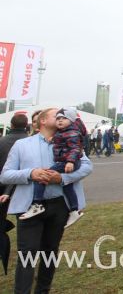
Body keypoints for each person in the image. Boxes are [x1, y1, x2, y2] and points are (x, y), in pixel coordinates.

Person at [0, 107, 93, 293]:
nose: (60, 117)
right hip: (29, 207)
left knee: (50, 252)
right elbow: (5, 175)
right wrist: (31, 173)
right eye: (55, 115)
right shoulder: (22, 145)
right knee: (27, 254)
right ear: (42, 121)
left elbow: (87, 167)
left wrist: (63, 179)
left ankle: (43, 290)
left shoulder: (70, 141)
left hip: (59, 205)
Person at [20, 108, 85, 228]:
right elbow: (6, 174)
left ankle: (37, 204)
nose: (59, 120)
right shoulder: (22, 144)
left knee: (43, 175)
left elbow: (77, 151)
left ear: (71, 120)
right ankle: (75, 210)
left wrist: (70, 162)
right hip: (65, 162)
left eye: (62, 118)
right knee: (67, 186)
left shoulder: (72, 132)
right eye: (57, 117)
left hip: (66, 162)